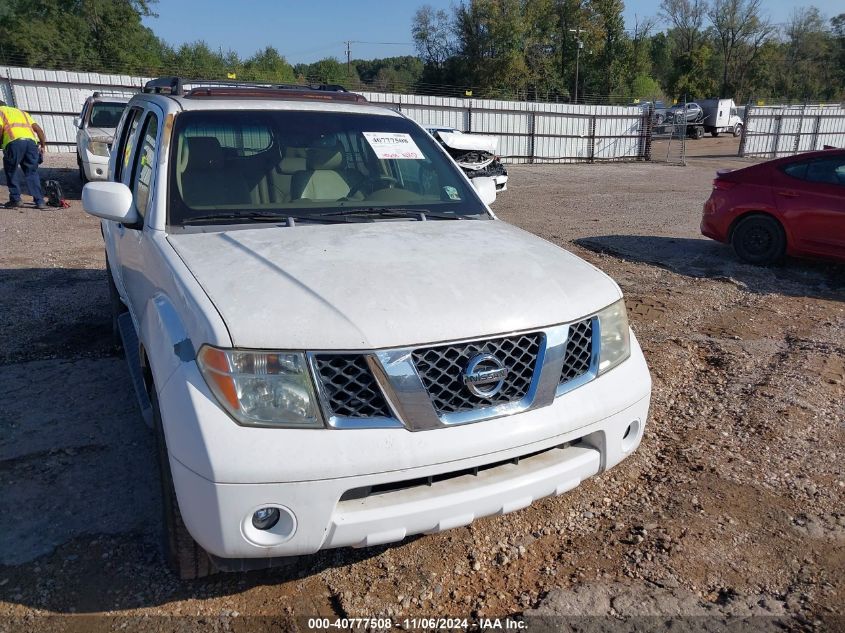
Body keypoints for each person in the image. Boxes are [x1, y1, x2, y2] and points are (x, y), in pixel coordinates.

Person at [0, 100, 48, 209]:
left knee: (11, 170)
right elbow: (39, 130)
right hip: (31, 143)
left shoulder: (0, 111)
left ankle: (16, 199)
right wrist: (43, 146)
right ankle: (40, 201)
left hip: (14, 143)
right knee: (32, 172)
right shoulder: (22, 113)